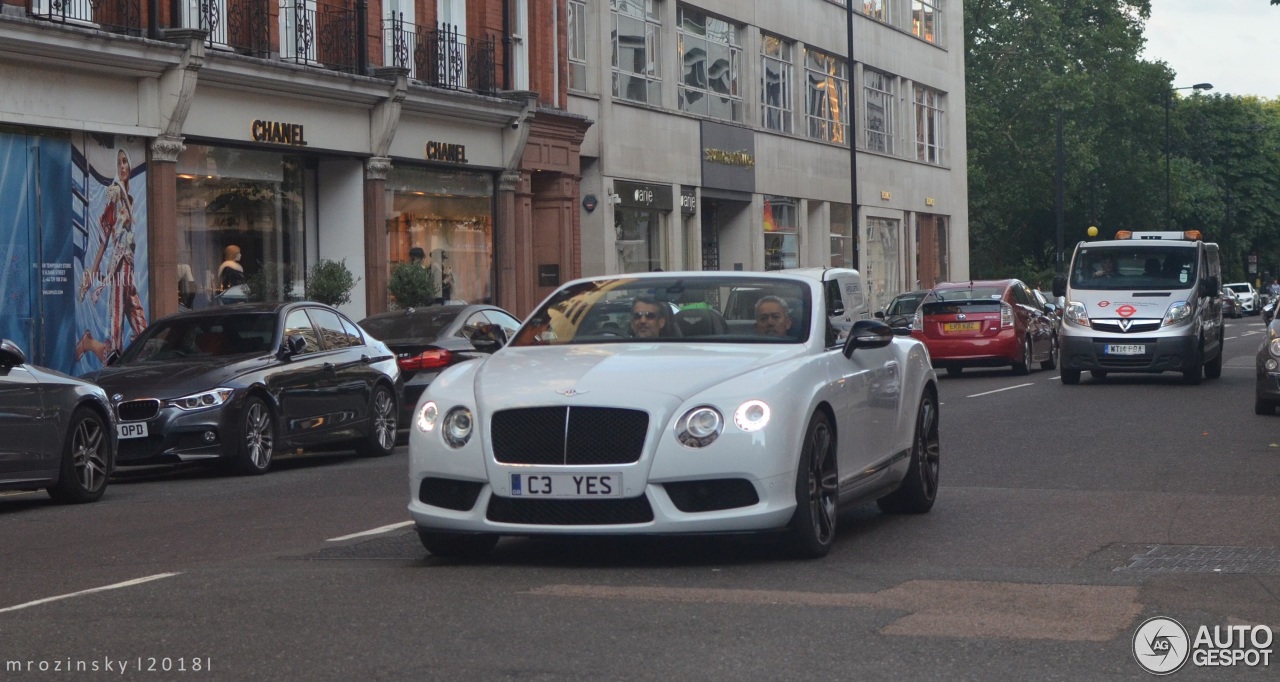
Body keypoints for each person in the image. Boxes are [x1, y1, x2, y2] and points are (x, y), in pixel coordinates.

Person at [78, 148, 147, 362]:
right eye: (119, 163)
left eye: (125, 161)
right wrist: (93, 272)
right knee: (115, 328)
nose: (123, 166)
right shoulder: (115, 193)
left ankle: (92, 344)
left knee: (141, 327)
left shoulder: (131, 198)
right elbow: (104, 238)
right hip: (118, 269)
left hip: (129, 269)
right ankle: (97, 351)